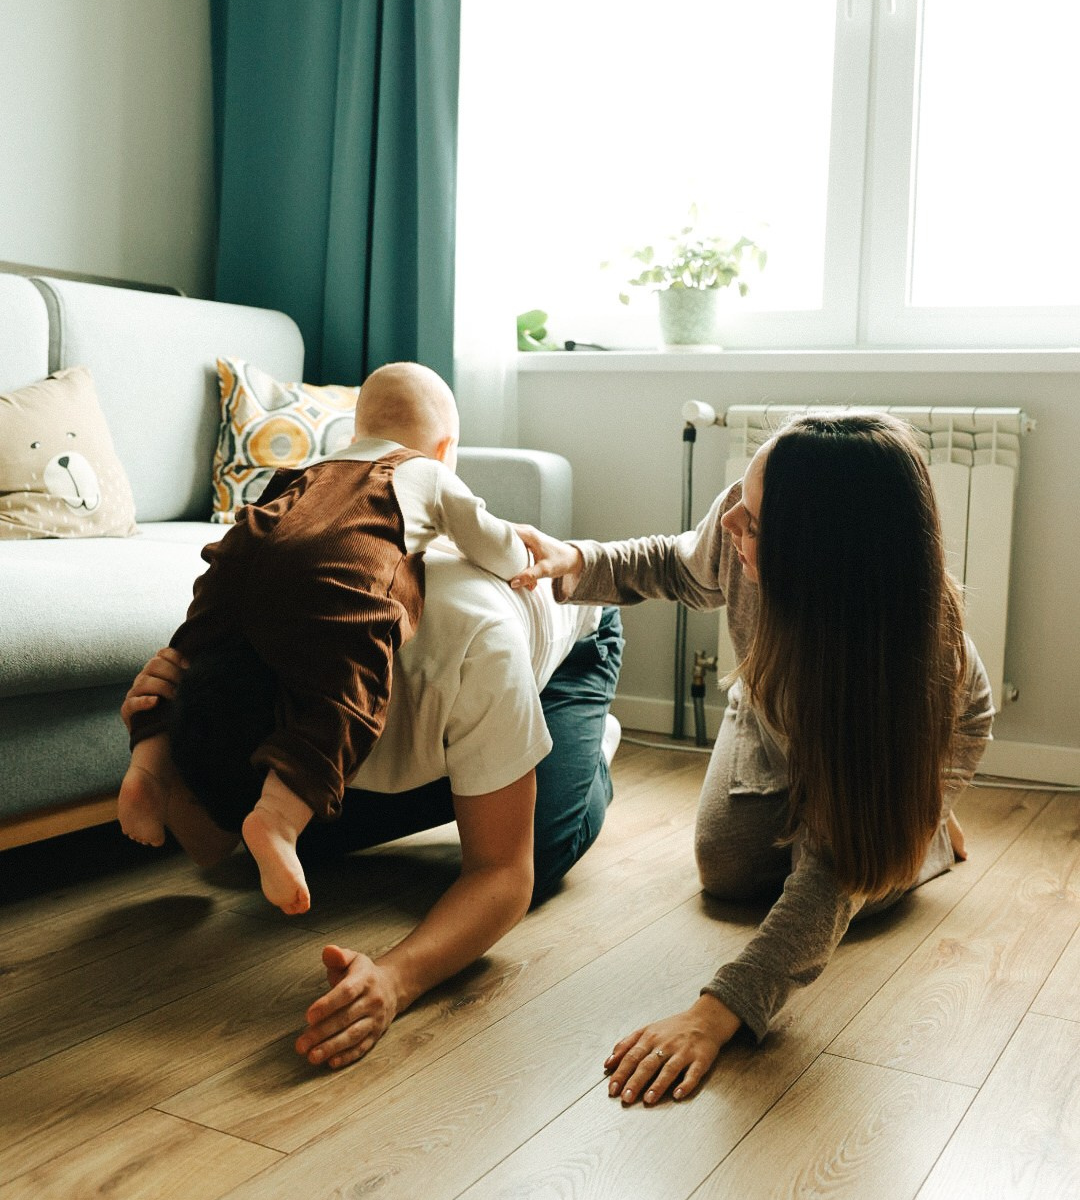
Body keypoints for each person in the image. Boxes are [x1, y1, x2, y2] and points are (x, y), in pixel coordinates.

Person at [513, 410, 995, 1106]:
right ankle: (876, 813)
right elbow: (679, 562)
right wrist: (580, 562)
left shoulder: (908, 672)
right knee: (731, 867)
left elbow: (830, 879)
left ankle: (911, 817)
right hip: (772, 703)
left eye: (754, 523)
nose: (730, 522)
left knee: (857, 869)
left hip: (899, 742)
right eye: (738, 496)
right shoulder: (749, 519)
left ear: (822, 558)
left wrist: (717, 1011)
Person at [121, 545, 624, 1071]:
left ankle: (578, 753)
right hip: (421, 705)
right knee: (277, 850)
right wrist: (154, 744)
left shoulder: (472, 649)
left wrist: (394, 979)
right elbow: (213, 848)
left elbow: (502, 875)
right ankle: (477, 770)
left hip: (566, 639)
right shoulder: (224, 635)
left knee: (539, 853)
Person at [118, 362, 529, 916]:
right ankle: (279, 820)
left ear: (354, 435)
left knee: (188, 660)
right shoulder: (426, 471)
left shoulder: (313, 466)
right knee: (344, 693)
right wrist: (524, 556)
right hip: (337, 569)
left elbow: (267, 510)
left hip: (247, 548)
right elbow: (494, 546)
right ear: (445, 447)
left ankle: (146, 768)